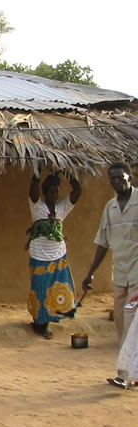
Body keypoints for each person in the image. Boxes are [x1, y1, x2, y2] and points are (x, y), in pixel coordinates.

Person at [82, 163, 138, 381]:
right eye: (111, 179)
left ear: (129, 177)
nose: (116, 182)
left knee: (132, 322)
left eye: (119, 178)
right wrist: (91, 273)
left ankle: (125, 374)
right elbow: (103, 243)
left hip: (137, 275)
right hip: (121, 275)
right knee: (121, 322)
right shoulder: (110, 207)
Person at [26, 170, 82, 339]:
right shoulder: (37, 207)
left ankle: (48, 322)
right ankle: (40, 324)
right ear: (44, 192)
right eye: (50, 191)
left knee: (57, 291)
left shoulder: (62, 208)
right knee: (41, 290)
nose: (54, 194)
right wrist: (36, 173)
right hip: (39, 255)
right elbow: (33, 191)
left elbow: (78, 191)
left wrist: (69, 172)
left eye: (56, 191)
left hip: (58, 255)